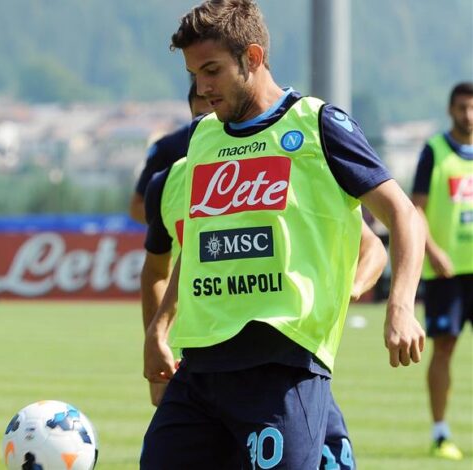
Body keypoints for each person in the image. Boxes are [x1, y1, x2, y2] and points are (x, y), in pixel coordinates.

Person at [141, 1, 426, 468]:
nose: (202, 87)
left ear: (252, 57)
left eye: (211, 70)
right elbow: (199, 245)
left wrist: (400, 306)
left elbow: (404, 216)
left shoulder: (317, 126)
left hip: (283, 367)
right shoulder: (203, 139)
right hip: (200, 371)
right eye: (195, 74)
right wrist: (160, 327)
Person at [142, 156, 387, 470]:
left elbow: (372, 247)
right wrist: (157, 333)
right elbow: (168, 267)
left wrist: (350, 289)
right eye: (200, 104)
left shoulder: (279, 161)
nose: (210, 109)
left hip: (281, 366)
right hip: (203, 365)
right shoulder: (167, 183)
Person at [411, 81, 473, 461]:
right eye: (462, 107)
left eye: (472, 108)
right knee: (444, 349)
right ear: (451, 109)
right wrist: (432, 250)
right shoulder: (434, 151)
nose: (468, 115)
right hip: (446, 275)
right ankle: (440, 433)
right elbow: (415, 207)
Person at [130, 82, 213, 223]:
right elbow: (137, 208)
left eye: (214, 117)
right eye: (200, 117)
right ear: (191, 112)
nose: (207, 124)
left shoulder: (246, 143)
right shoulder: (167, 147)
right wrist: (178, 217)